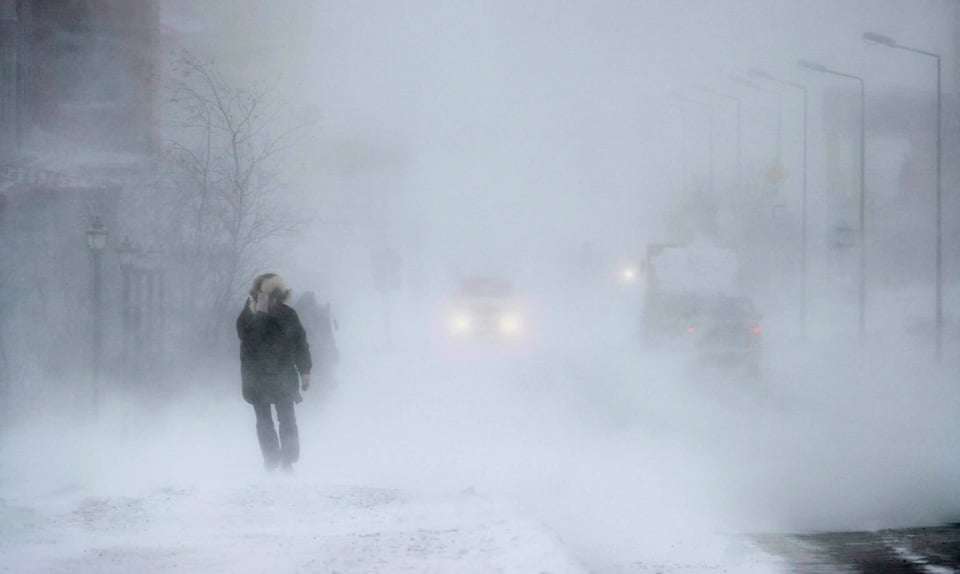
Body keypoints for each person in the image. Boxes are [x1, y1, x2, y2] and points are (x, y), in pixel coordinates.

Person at [237, 273, 312, 471]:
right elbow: (250, 339)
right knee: (264, 422)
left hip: (284, 375)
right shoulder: (247, 316)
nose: (273, 300)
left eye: (276, 295)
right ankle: (271, 460)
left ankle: (287, 461)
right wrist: (260, 314)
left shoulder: (288, 314)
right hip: (256, 377)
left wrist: (305, 370)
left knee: (287, 420)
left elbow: (300, 343)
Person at [294, 291, 339, 388]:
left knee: (320, 375)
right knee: (321, 375)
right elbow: (328, 334)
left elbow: (327, 333)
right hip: (316, 352)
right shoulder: (319, 314)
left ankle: (322, 392)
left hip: (316, 352)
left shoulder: (302, 315)